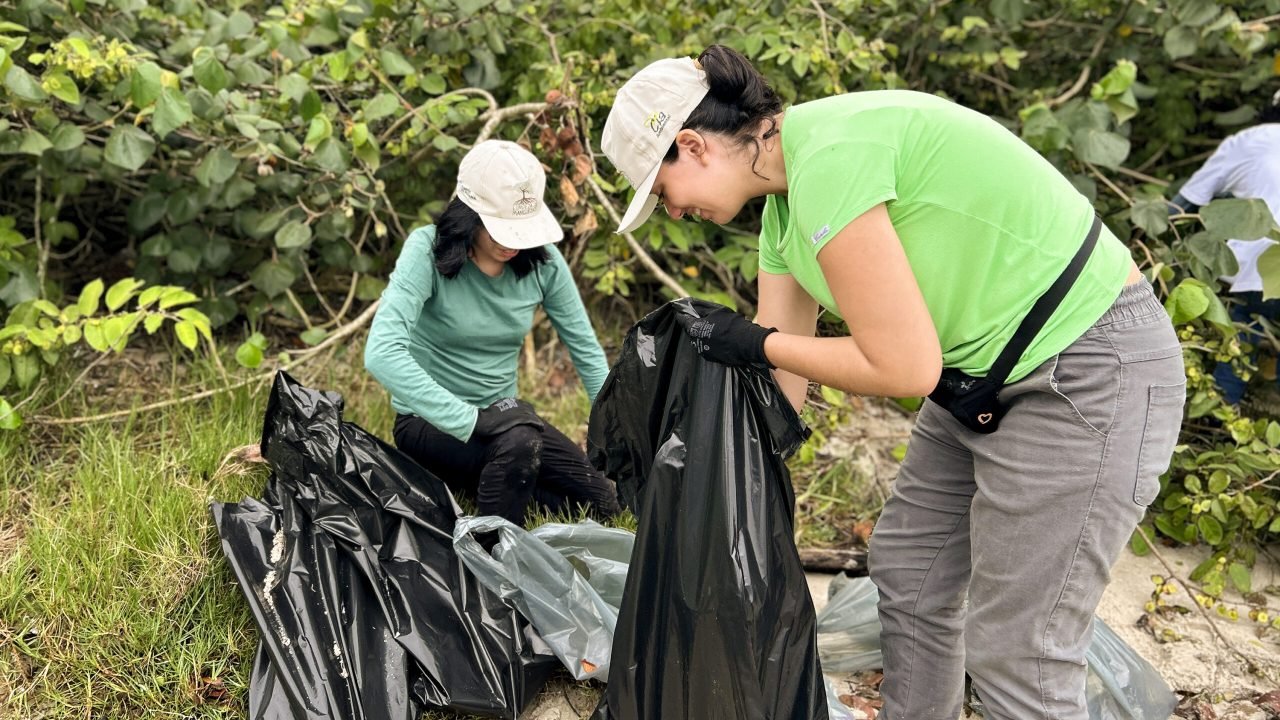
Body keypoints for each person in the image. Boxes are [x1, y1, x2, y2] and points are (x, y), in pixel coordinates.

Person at [600, 46, 1185, 720]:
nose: (670, 212)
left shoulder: (831, 160)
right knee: (911, 573)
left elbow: (904, 367)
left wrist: (755, 343)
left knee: (1019, 649)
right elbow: (778, 382)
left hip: (1085, 369)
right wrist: (711, 495)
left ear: (693, 146)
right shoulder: (786, 212)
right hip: (979, 379)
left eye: (660, 190)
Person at [365, 139, 620, 525]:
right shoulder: (425, 251)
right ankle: (494, 553)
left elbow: (584, 349)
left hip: (507, 420)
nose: (513, 243)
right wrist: (469, 420)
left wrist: (616, 430)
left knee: (604, 501)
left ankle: (496, 479)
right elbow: (382, 352)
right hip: (429, 423)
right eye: (501, 228)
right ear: (470, 215)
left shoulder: (544, 265)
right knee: (521, 444)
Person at [1169, 93, 1280, 406]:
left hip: (1253, 273)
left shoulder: (1248, 140)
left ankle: (1219, 420)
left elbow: (1185, 202)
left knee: (1235, 348)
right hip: (1266, 269)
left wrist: (1144, 231)